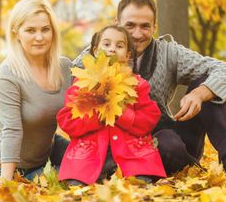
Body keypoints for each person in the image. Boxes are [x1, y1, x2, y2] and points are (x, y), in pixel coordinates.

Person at [76, 0, 226, 184]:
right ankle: (180, 168)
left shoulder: (168, 53)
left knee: (205, 84)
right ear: (117, 23)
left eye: (145, 26)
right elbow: (71, 86)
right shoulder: (96, 53)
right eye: (130, 25)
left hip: (166, 138)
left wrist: (199, 93)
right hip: (117, 144)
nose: (137, 33)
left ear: (154, 27)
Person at [57, 25, 166, 185]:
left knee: (140, 182)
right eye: (106, 44)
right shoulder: (82, 84)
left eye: (119, 46)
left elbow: (150, 118)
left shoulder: (136, 85)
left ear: (128, 54)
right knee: (77, 185)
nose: (112, 49)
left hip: (129, 156)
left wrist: (123, 114)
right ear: (95, 50)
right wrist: (97, 115)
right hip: (89, 156)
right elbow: (67, 120)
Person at [0, 0, 73, 184]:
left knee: (98, 164)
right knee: (75, 177)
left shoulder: (65, 68)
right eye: (30, 30)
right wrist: (6, 183)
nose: (39, 37)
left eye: (45, 29)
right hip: (17, 168)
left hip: (48, 151)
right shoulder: (7, 75)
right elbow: (11, 130)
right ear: (16, 34)